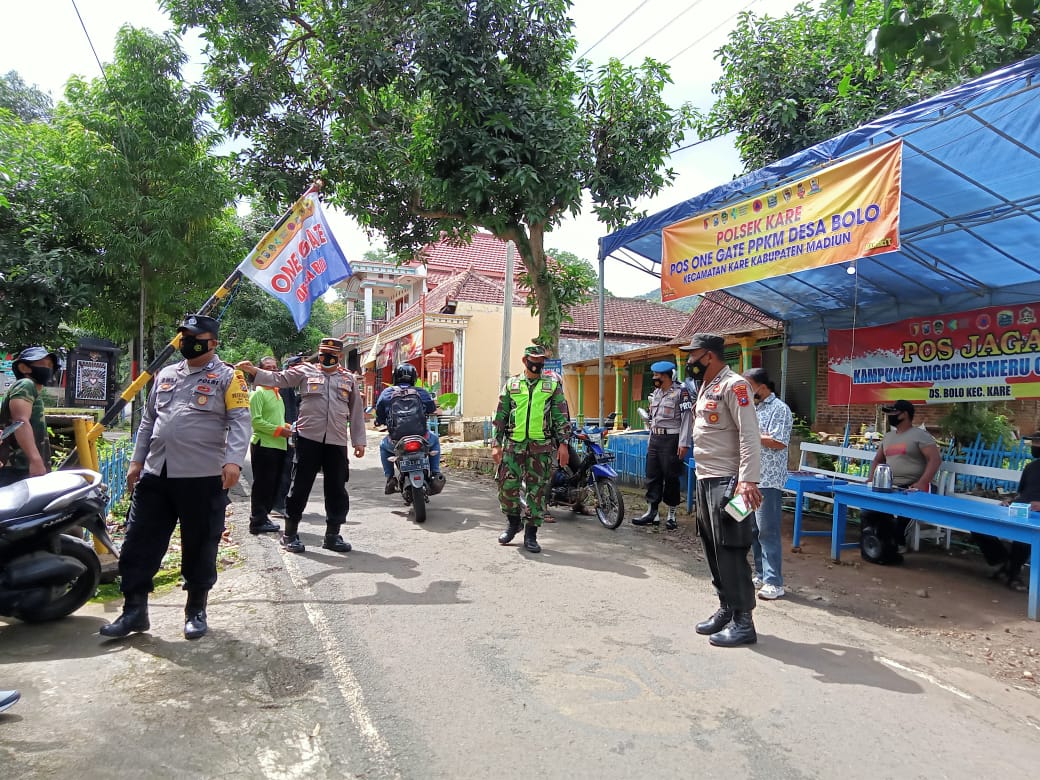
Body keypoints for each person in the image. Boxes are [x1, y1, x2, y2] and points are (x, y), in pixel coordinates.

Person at [100, 315, 251, 640]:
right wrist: (136, 460)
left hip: (202, 475)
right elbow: (148, 421)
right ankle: (134, 611)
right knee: (139, 541)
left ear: (213, 343)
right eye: (183, 335)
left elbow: (240, 420)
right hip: (157, 473)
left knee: (200, 544)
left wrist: (233, 461)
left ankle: (195, 608)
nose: (186, 341)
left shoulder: (229, 377)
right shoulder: (166, 374)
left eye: (194, 336)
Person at [237, 338, 366, 555]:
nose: (327, 357)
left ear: (340, 356)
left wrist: (359, 441)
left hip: (336, 441)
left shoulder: (348, 379)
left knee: (336, 489)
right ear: (319, 353)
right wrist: (254, 370)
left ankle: (332, 535)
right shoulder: (305, 371)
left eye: (332, 354)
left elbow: (355, 412)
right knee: (299, 487)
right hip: (308, 440)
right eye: (323, 353)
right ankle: (290, 534)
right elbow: (278, 377)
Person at [681, 333, 763, 647]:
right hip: (706, 478)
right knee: (711, 545)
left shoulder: (735, 386)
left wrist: (747, 481)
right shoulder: (706, 387)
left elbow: (749, 436)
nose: (689, 362)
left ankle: (744, 621)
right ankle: (726, 608)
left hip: (730, 481)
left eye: (694, 356)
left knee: (730, 548)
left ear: (710, 356)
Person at [491, 344, 571, 553]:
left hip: (541, 448)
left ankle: (531, 534)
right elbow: (501, 414)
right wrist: (496, 443)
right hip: (513, 446)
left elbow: (561, 417)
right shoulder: (512, 384)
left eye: (540, 362)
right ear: (525, 361)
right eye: (533, 361)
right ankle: (513, 522)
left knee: (537, 493)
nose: (537, 366)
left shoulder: (551, 386)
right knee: (507, 490)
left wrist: (563, 444)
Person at [864, 399, 941, 565]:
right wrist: (872, 478)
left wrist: (922, 482)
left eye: (893, 413)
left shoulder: (920, 435)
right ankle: (880, 544)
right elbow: (877, 460)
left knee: (907, 511)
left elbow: (935, 459)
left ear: (904, 414)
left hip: (914, 487)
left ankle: (898, 542)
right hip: (891, 486)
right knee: (870, 512)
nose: (890, 416)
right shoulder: (889, 436)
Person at [742, 369, 793, 601]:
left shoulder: (780, 409)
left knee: (767, 530)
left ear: (762, 386)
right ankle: (761, 574)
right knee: (752, 530)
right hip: (749, 478)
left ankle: (775, 582)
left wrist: (751, 434)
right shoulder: (753, 408)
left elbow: (779, 442)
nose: (745, 390)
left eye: (748, 385)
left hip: (768, 480)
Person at [974, 431, 1039, 591]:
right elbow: (1022, 493)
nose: (1034, 446)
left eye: (1037, 443)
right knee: (978, 524)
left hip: (1035, 517)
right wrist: (1011, 501)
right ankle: (1004, 561)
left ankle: (1013, 574)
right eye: (1033, 442)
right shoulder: (1031, 467)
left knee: (1023, 532)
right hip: (1021, 510)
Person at [633, 360, 692, 530]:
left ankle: (672, 514)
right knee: (652, 476)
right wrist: (650, 439)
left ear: (666, 376)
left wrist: (684, 443)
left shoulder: (681, 392)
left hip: (672, 440)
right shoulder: (656, 393)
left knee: (671, 477)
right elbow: (653, 419)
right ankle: (652, 512)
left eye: (657, 376)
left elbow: (687, 419)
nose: (654, 378)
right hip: (655, 440)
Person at [374, 363, 444, 495]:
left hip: (396, 440)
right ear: (413, 378)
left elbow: (380, 414)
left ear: (395, 377)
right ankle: (435, 472)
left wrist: (380, 421)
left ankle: (390, 478)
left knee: (383, 446)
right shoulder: (421, 392)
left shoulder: (386, 393)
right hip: (422, 437)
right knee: (434, 440)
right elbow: (431, 409)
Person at [0, 346, 60, 487]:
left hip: (21, 468)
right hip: (18, 468)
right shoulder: (25, 385)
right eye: (42, 364)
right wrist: (35, 460)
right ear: (24, 368)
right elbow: (20, 421)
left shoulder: (31, 390)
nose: (48, 368)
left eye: (50, 365)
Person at [247, 356, 291, 535]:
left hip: (278, 445)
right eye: (267, 368)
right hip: (264, 445)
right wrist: (279, 430)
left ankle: (263, 517)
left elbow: (276, 419)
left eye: (274, 368)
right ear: (260, 371)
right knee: (262, 485)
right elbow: (256, 422)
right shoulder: (258, 393)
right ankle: (257, 520)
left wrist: (286, 427)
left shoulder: (277, 393)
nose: (272, 371)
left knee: (272, 485)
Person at [271, 354, 304, 517]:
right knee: (285, 470)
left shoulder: (293, 387)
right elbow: (286, 413)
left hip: (289, 431)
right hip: (283, 433)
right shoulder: (284, 387)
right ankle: (278, 503)